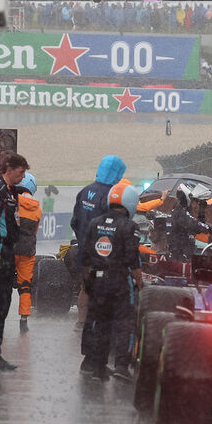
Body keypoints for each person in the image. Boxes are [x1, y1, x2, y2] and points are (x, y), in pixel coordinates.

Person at [79, 181, 143, 380]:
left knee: (100, 322)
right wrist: (140, 282)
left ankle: (96, 366)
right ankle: (121, 366)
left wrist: (87, 283)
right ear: (130, 203)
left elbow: (85, 256)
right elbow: (133, 259)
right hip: (120, 282)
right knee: (125, 323)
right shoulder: (130, 226)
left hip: (97, 280)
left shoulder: (94, 222)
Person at [0, 153, 29, 370]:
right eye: (20, 172)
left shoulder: (11, 191)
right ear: (9, 169)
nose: (23, 176)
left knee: (5, 304)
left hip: (7, 253)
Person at [71, 155, 126, 325]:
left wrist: (82, 238)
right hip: (103, 252)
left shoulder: (85, 191)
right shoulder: (110, 196)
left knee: (85, 286)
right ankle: (96, 325)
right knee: (102, 289)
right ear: (116, 174)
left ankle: (80, 323)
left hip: (83, 250)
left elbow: (74, 221)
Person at [14, 172, 42, 334]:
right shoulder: (37, 208)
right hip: (28, 250)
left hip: (10, 248)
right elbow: (35, 231)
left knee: (2, 283)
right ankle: (24, 317)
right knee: (25, 285)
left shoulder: (11, 203)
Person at [167, 186, 212, 262]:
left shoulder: (178, 211)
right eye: (195, 201)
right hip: (179, 256)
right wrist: (210, 228)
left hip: (180, 253)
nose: (197, 206)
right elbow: (195, 224)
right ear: (188, 199)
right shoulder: (181, 213)